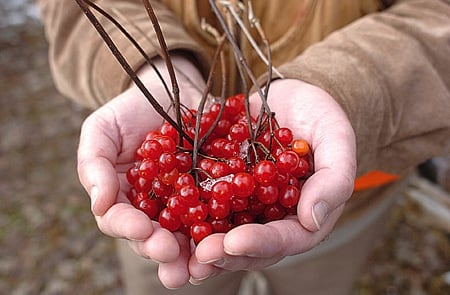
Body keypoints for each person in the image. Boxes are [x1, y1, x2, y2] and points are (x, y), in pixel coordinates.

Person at [37, 0, 450, 294]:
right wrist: (150, 62)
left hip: (346, 203)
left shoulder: (276, 167)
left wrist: (349, 90)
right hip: (169, 236)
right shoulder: (171, 179)